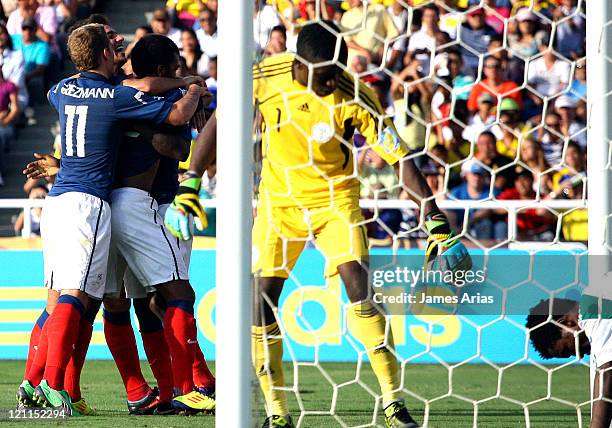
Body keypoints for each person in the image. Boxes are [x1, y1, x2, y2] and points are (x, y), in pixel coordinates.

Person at [165, 21, 471, 428]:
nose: (332, 82)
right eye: (325, 75)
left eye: (337, 73)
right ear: (300, 66)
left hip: (336, 200)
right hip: (280, 202)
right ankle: (277, 411)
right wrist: (191, 181)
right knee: (260, 300)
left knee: (359, 287)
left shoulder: (357, 95)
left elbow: (400, 160)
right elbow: (220, 123)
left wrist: (433, 216)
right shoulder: (265, 75)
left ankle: (394, 402)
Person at [18, 23, 204, 415]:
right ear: (105, 53)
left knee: (81, 301)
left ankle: (37, 383)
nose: (119, 46)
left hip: (61, 198)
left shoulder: (61, 89)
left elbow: (124, 87)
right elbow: (173, 119)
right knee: (88, 297)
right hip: (95, 204)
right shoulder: (115, 97)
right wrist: (190, 86)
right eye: (112, 42)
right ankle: (58, 386)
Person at [526, 296, 612, 428]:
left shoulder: (594, 314)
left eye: (569, 350)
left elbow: (606, 370)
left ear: (566, 322)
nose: (580, 356)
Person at [11, 17, 50, 103]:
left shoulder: (43, 46)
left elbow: (40, 69)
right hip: (11, 73)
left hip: (30, 76)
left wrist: (24, 78)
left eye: (30, 29)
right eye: (25, 28)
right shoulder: (13, 39)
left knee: (36, 82)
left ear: (35, 30)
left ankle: (35, 105)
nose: (27, 31)